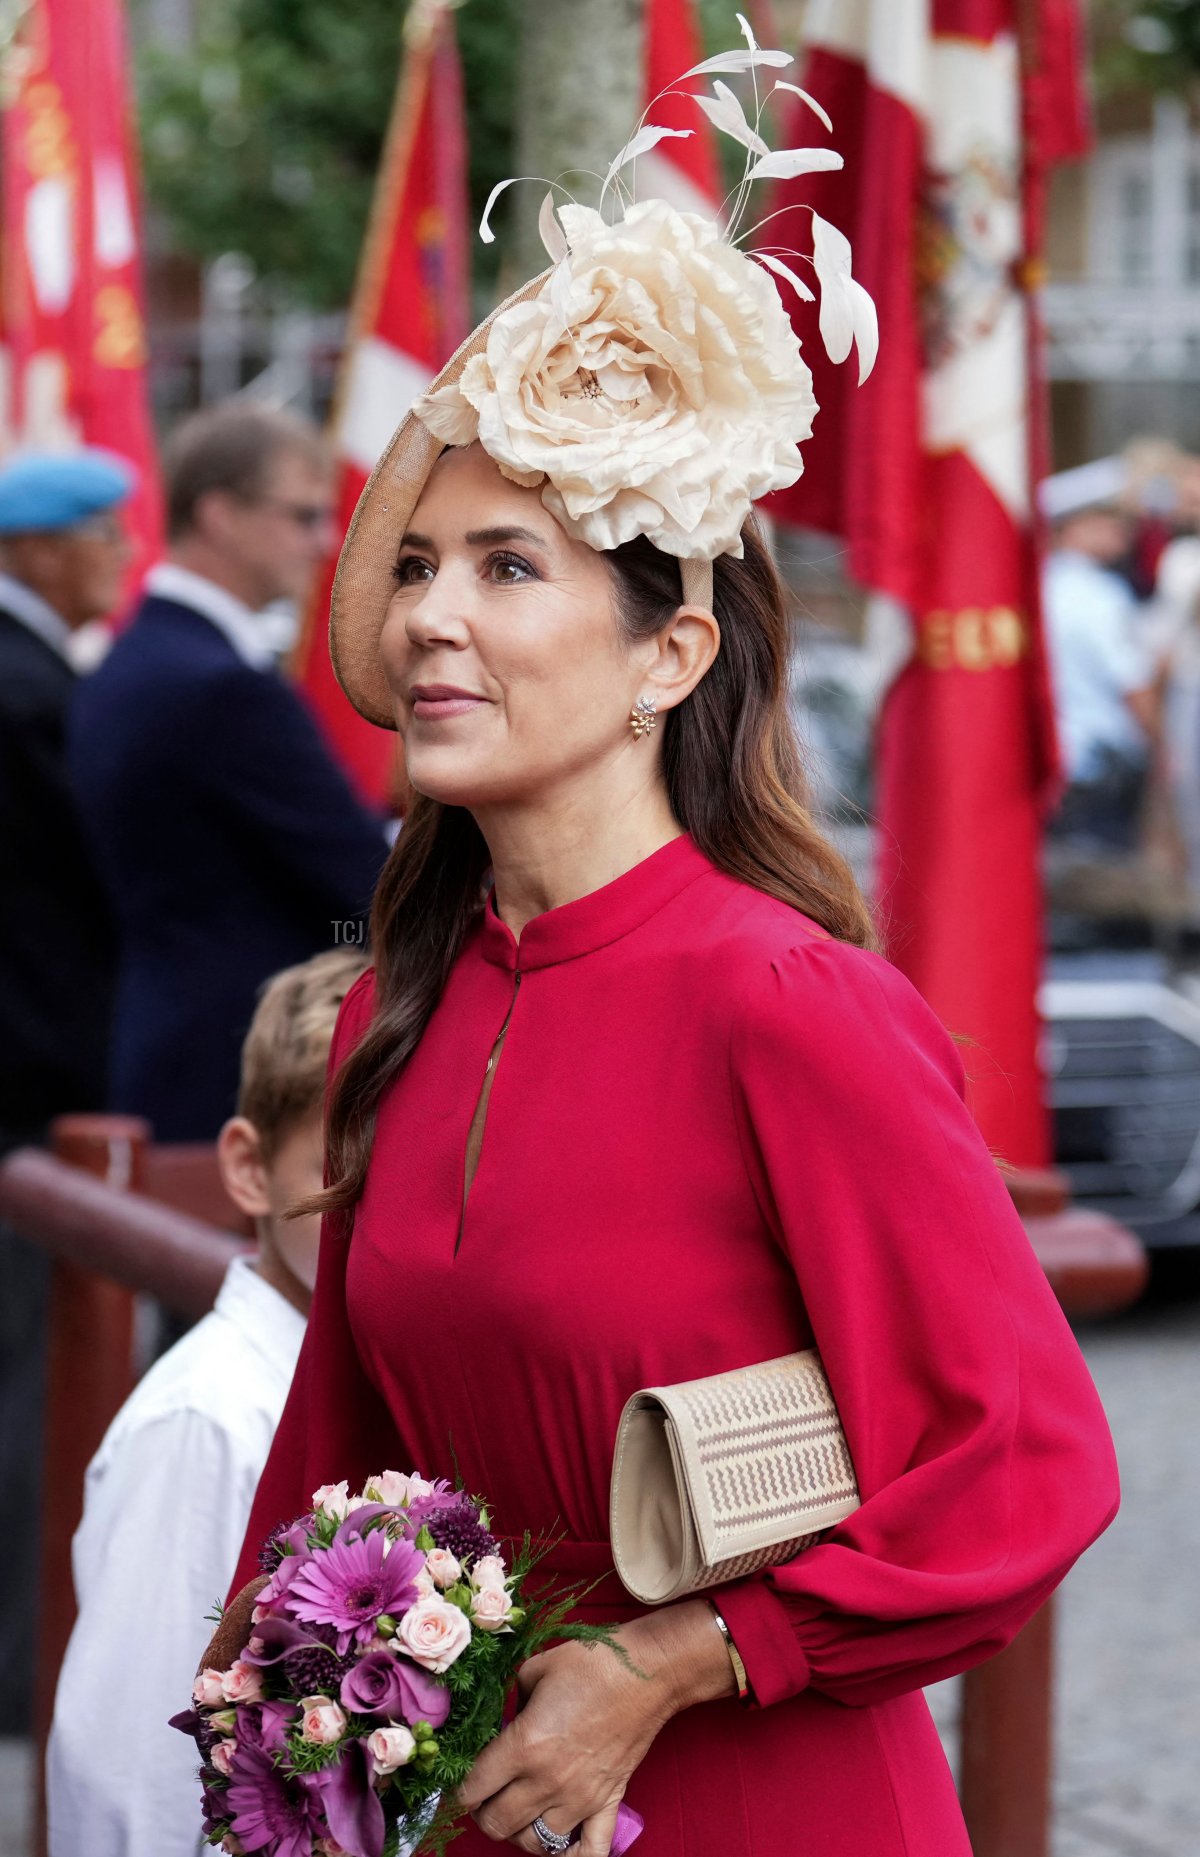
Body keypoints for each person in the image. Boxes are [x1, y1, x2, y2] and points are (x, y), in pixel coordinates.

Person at [215, 89, 1117, 1857]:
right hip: (475, 1810)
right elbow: (343, 1444)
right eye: (413, 568)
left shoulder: (788, 1003)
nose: (426, 620)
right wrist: (268, 1692)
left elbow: (1026, 1459)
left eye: (503, 566)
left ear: (668, 653)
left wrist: (690, 1654)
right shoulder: (422, 990)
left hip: (761, 1797)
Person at [46, 945, 368, 1857]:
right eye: (337, 1163)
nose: (375, 1201)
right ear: (250, 1169)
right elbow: (129, 1774)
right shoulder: (209, 1422)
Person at [68, 402, 390, 1142]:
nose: (324, 540)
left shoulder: (128, 665)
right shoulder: (221, 689)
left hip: (164, 1046)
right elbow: (366, 888)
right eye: (302, 514)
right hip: (244, 1070)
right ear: (219, 514)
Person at [0, 448, 132, 1734]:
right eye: (98, 535)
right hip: (29, 1088)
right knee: (27, 1385)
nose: (115, 555)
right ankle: (14, 1670)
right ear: (32, 549)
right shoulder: (28, 686)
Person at [1041, 473, 1157, 852]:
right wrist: (1162, 747)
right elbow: (1133, 684)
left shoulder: (1040, 585)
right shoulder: (1102, 594)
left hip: (1054, 762)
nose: (1120, 532)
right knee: (1103, 891)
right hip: (1099, 768)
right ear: (1071, 529)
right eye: (1104, 522)